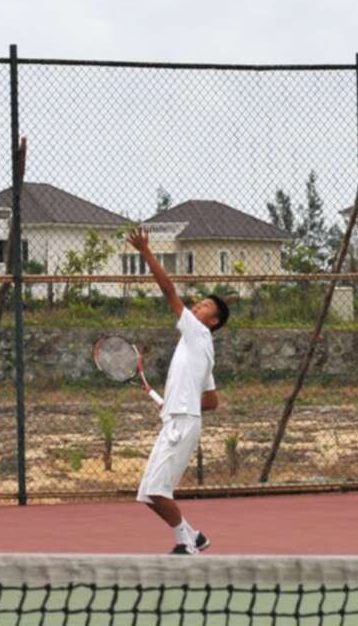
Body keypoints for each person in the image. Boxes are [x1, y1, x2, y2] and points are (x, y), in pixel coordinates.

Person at [128, 227, 229, 554]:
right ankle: (193, 536)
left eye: (202, 306)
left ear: (212, 322)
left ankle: (187, 545)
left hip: (181, 423)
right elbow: (212, 401)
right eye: (197, 304)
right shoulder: (200, 347)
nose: (195, 308)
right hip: (178, 420)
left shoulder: (197, 334)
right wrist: (177, 402)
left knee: (158, 491)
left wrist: (146, 252)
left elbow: (169, 291)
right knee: (147, 493)